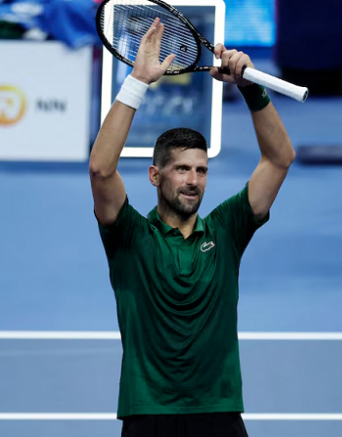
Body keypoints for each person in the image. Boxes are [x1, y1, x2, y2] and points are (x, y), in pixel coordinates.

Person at [89, 18, 295, 437]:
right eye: (182, 169)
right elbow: (101, 169)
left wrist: (250, 88)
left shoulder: (226, 230)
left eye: (201, 170)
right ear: (155, 175)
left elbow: (279, 159)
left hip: (218, 412)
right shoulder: (130, 236)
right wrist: (137, 82)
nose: (193, 180)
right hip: (149, 415)